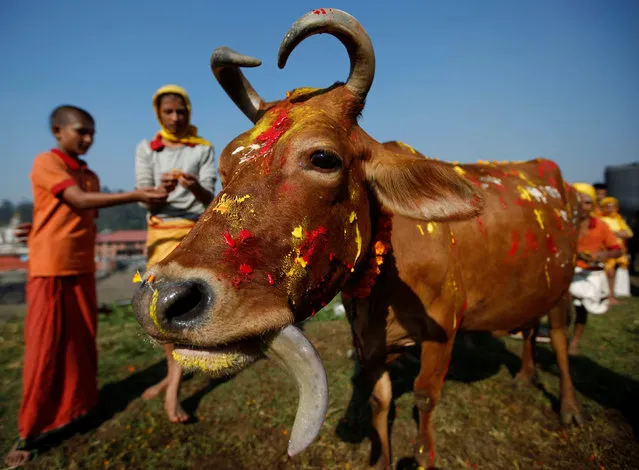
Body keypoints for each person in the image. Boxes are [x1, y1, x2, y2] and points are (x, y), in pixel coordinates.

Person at [5, 105, 167, 468]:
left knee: (81, 345)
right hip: (50, 270)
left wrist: (39, 227)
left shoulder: (89, 174)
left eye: (92, 132)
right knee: (45, 349)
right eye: (81, 131)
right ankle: (29, 430)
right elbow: (75, 201)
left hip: (81, 267)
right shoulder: (48, 163)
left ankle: (79, 407)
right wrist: (135, 195)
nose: (88, 139)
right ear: (58, 132)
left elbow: (71, 216)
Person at [135, 85, 216, 423]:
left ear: (189, 113)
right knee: (159, 308)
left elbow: (209, 198)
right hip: (159, 233)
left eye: (181, 111)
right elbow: (145, 199)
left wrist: (192, 184)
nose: (175, 117)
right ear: (159, 114)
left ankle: (172, 389)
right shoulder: (146, 148)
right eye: (168, 112)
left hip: (193, 232)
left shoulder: (203, 148)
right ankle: (173, 377)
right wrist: (161, 191)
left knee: (186, 307)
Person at [568, 183, 621, 356]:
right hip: (567, 273)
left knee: (581, 311)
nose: (582, 206)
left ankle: (574, 342)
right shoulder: (565, 223)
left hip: (590, 273)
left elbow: (617, 249)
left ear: (593, 206)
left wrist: (601, 255)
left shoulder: (601, 226)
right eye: (578, 201)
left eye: (587, 202)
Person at [599, 196, 633, 301]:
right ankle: (609, 296)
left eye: (613, 206)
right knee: (610, 272)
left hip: (620, 250)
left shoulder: (619, 219)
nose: (610, 209)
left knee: (619, 270)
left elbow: (629, 233)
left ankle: (615, 294)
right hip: (606, 250)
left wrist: (615, 233)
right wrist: (617, 234)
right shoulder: (600, 219)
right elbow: (602, 234)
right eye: (607, 206)